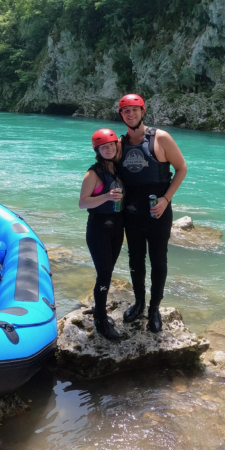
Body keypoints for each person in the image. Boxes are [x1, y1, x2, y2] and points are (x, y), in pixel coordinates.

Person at [116, 94, 187, 332]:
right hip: (132, 211)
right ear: (121, 115)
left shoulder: (161, 138)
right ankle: (139, 302)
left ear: (143, 111)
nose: (131, 114)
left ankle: (154, 308)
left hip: (158, 210)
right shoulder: (120, 144)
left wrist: (167, 199)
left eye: (135, 110)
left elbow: (181, 169)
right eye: (126, 111)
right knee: (135, 259)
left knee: (158, 259)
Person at [78, 128, 125, 341]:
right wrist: (106, 196)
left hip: (117, 228)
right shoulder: (93, 174)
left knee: (108, 271)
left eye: (111, 145)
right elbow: (83, 203)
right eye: (103, 146)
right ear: (97, 150)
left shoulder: (117, 169)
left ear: (116, 146)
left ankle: (99, 309)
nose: (108, 149)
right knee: (104, 274)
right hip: (98, 228)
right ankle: (100, 320)